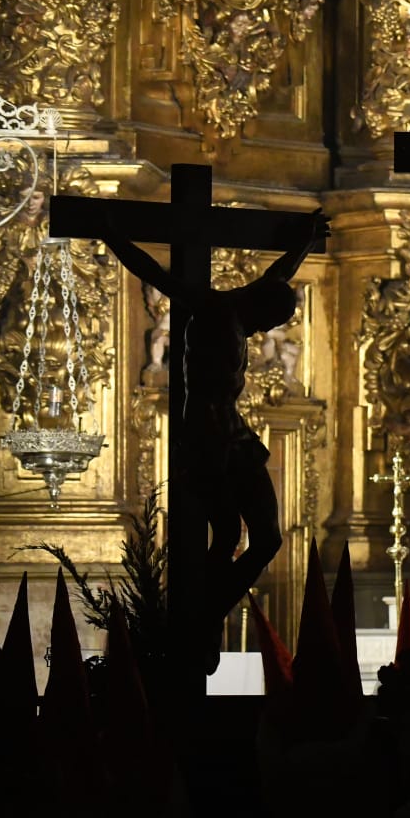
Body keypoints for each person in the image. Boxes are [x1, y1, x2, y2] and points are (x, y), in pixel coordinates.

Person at [104, 211, 326, 665]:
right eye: (266, 321)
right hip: (208, 438)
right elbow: (154, 274)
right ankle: (198, 621)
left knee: (266, 539)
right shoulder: (211, 310)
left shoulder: (247, 308)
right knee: (226, 533)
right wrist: (113, 236)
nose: (263, 333)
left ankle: (205, 616)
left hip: (233, 434)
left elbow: (278, 275)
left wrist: (303, 242)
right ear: (257, 307)